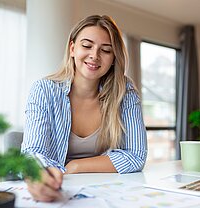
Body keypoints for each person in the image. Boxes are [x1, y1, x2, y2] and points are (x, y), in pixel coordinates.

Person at [21, 14, 147, 202]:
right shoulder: (44, 90)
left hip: (107, 192)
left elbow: (136, 156)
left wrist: (75, 166)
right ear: (72, 48)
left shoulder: (124, 92)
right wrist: (43, 176)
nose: (94, 56)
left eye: (105, 50)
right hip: (60, 190)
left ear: (114, 58)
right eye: (86, 46)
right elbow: (33, 153)